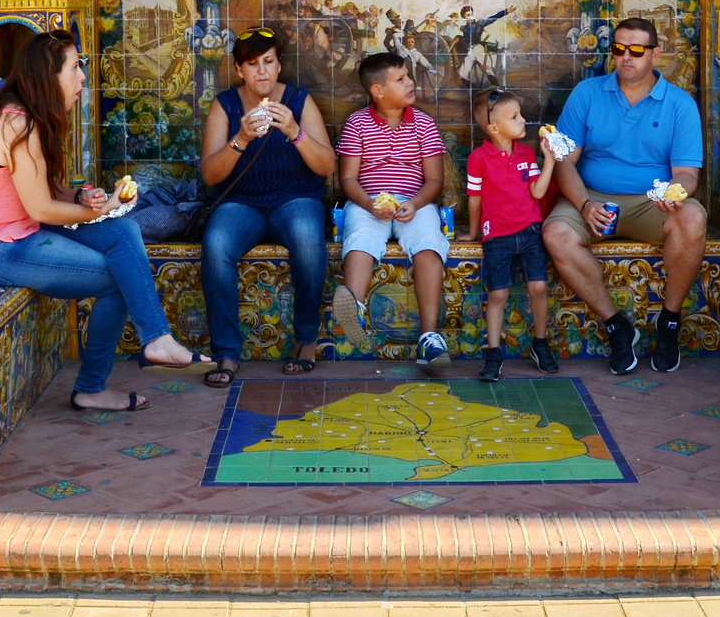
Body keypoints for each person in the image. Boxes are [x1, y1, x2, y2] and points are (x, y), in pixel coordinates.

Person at [0, 30, 215, 413]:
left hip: (20, 231)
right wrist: (103, 208)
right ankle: (94, 385)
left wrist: (82, 199)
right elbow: (41, 209)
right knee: (115, 278)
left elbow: (45, 192)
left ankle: (157, 338)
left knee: (124, 231)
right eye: (75, 68)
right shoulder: (16, 126)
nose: (81, 78)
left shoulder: (26, 118)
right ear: (49, 74)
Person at [542, 18, 707, 375]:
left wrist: (671, 193)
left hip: (653, 201)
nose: (626, 57)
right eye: (618, 49)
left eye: (636, 50)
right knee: (556, 234)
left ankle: (670, 322)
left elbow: (688, 174)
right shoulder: (587, 93)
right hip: (593, 197)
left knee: (693, 218)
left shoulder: (679, 104)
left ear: (655, 54)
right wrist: (585, 205)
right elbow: (563, 161)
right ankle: (617, 325)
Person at [197, 27, 336, 387]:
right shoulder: (225, 104)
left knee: (307, 240)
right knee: (216, 245)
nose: (262, 71)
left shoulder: (299, 101)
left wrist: (294, 132)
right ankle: (227, 351)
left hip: (296, 198)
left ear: (278, 66)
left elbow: (326, 166)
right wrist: (240, 138)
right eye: (253, 64)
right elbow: (211, 174)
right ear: (240, 69)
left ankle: (305, 341)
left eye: (269, 62)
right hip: (242, 202)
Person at [330, 52, 452, 367]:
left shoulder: (423, 123)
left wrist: (416, 203)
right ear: (378, 91)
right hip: (368, 201)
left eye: (408, 76)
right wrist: (370, 204)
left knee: (428, 243)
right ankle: (353, 307)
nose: (410, 82)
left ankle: (429, 338)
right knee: (361, 238)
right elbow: (348, 178)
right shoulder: (357, 123)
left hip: (415, 202)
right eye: (401, 79)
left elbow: (435, 179)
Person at [462, 90, 558, 381]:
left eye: (521, 114)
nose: (523, 120)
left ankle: (540, 343)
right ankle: (493, 353)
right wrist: (475, 232)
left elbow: (537, 192)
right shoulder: (478, 158)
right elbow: (475, 199)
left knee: (539, 287)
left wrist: (549, 160)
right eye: (515, 116)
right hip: (498, 236)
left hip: (530, 230)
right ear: (493, 128)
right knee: (498, 293)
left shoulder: (527, 153)